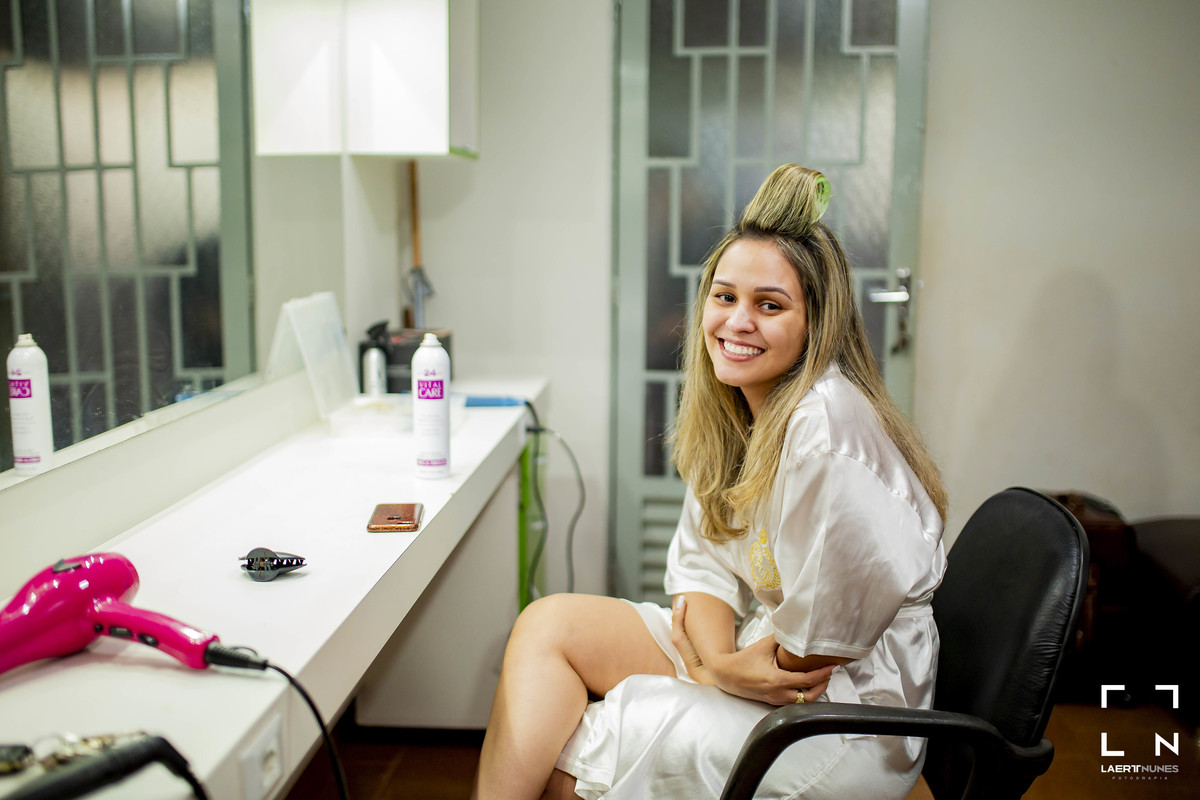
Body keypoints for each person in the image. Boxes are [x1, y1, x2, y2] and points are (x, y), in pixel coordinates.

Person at [471, 164, 949, 800]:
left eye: (769, 305)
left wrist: (713, 673)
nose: (737, 321)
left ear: (817, 324)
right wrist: (715, 665)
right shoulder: (736, 409)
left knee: (566, 754)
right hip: (756, 657)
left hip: (840, 718)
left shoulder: (826, 428)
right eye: (725, 297)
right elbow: (705, 566)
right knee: (547, 626)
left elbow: (807, 661)